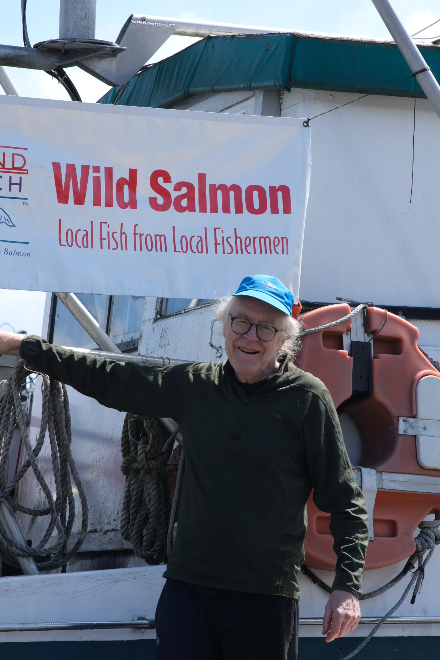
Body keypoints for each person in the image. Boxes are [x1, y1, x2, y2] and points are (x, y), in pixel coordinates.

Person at [0, 274, 368, 660]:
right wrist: (26, 347)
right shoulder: (197, 386)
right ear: (225, 325)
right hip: (188, 591)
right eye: (240, 322)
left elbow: (345, 501)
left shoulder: (308, 398)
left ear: (284, 337)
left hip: (265, 597)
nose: (250, 337)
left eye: (266, 328)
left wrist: (347, 587)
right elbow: (111, 379)